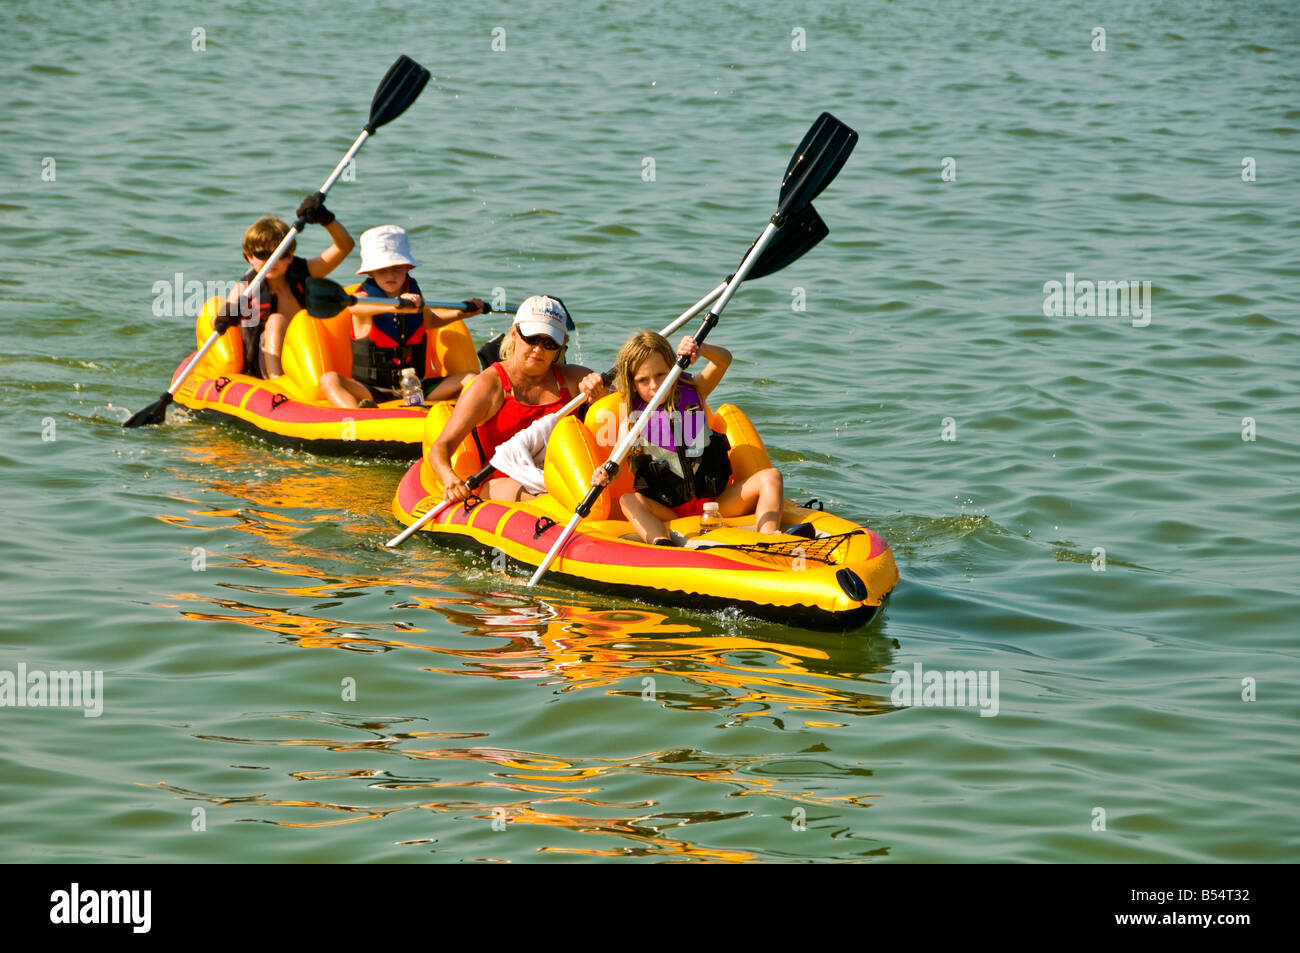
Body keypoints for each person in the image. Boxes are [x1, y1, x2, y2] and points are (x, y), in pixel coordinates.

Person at [591, 330, 784, 545]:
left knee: (771, 477)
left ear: (674, 368)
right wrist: (604, 473)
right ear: (633, 384)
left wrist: (702, 349)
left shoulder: (695, 390)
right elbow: (615, 463)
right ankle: (661, 543)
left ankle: (768, 541)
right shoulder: (633, 419)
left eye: (661, 375)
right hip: (668, 511)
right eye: (643, 380)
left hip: (715, 504)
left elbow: (724, 361)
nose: (655, 386)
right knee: (629, 500)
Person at [432, 295, 606, 503]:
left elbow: (627, 416)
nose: (538, 349)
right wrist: (449, 478)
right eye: (531, 338)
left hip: (559, 479)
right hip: (502, 482)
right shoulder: (489, 386)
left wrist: (601, 396)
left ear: (562, 344)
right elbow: (440, 448)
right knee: (541, 498)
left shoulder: (574, 379)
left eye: (549, 342)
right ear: (514, 333)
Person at [317, 225, 487, 408]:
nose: (390, 274)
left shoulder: (413, 296)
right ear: (370, 272)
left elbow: (430, 321)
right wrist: (397, 305)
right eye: (382, 269)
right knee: (329, 379)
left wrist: (462, 312)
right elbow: (356, 308)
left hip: (417, 388)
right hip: (372, 390)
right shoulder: (362, 299)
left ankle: (467, 415)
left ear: (407, 267)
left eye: (397, 268)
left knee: (471, 378)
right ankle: (358, 418)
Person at [214, 194, 354, 379]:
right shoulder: (245, 288)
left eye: (281, 254)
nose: (272, 262)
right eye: (263, 254)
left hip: (305, 356)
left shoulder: (304, 272)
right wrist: (227, 315)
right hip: (265, 365)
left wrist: (326, 219)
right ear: (249, 256)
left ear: (291, 255)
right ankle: (277, 379)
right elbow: (216, 321)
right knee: (276, 320)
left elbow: (345, 246)